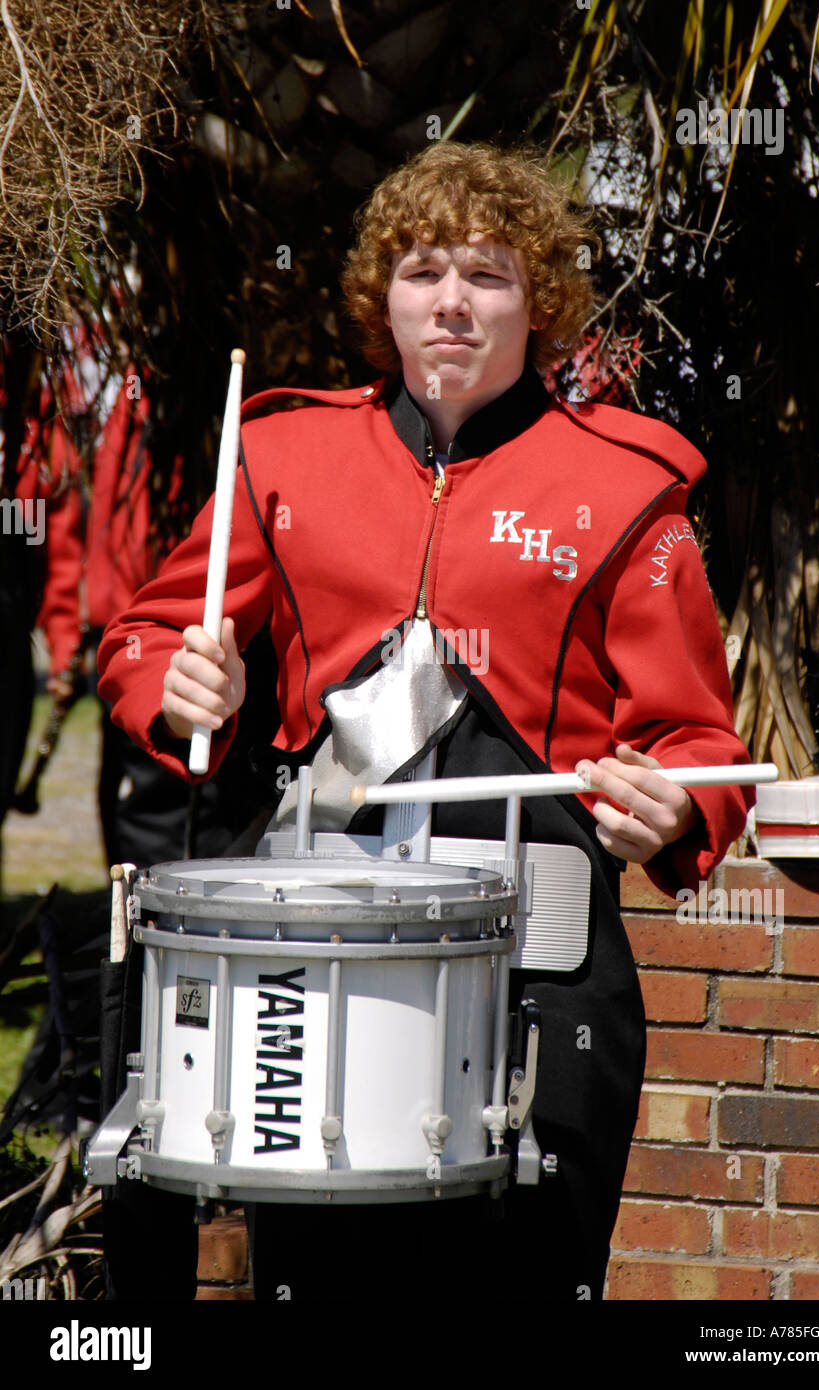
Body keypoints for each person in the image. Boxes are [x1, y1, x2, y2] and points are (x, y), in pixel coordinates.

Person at [97, 141, 753, 1301]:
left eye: (488, 274)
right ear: (382, 299)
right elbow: (146, 637)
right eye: (423, 270)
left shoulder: (628, 486)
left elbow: (699, 742)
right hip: (321, 965)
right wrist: (179, 687)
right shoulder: (281, 455)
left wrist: (678, 804)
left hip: (545, 974)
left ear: (538, 303)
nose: (452, 300)